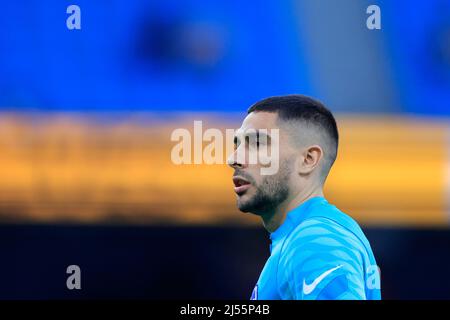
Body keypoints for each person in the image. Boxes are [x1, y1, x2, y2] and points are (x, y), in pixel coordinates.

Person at [227, 94, 381, 300]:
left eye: (256, 144)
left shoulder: (316, 239)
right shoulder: (302, 237)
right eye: (237, 145)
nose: (233, 159)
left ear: (308, 159)